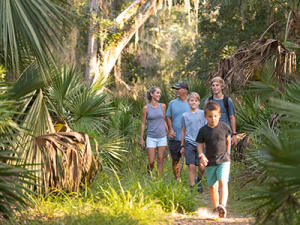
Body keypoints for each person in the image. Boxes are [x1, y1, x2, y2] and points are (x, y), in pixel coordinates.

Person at [196, 101, 231, 218]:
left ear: (219, 115)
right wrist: (202, 156)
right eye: (210, 116)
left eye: (215, 116)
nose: (213, 119)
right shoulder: (203, 130)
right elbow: (200, 145)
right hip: (210, 162)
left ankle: (222, 205)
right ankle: (217, 208)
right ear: (205, 117)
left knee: (222, 181)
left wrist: (228, 152)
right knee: (212, 186)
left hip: (224, 160)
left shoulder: (224, 127)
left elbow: (228, 139)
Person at [181, 92, 207, 192]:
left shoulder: (202, 113)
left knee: (202, 166)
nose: (193, 102)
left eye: (196, 100)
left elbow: (206, 128)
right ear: (188, 102)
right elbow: (183, 130)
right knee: (191, 165)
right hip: (189, 143)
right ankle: (192, 186)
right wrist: (182, 145)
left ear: (199, 102)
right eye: (191, 100)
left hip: (201, 143)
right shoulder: (185, 115)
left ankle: (198, 181)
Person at [139, 86, 168, 175]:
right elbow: (143, 123)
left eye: (160, 93)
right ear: (152, 94)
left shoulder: (163, 106)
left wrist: (169, 131)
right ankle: (149, 174)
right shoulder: (146, 108)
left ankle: (159, 180)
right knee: (151, 161)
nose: (159, 95)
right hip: (151, 137)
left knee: (160, 159)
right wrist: (141, 138)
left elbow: (163, 120)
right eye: (157, 93)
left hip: (162, 136)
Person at [166, 81, 190, 182]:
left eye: (178, 88)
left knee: (191, 161)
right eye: (175, 88)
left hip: (189, 137)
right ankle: (178, 180)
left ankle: (192, 181)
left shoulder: (192, 102)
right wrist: (170, 129)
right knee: (176, 159)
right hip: (175, 136)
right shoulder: (172, 103)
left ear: (185, 90)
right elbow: (168, 117)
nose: (176, 90)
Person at [206, 76, 237, 146]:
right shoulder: (208, 101)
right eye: (213, 85)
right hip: (212, 134)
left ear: (222, 87)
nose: (215, 87)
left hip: (225, 133)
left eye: (217, 85)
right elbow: (205, 118)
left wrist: (234, 134)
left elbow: (232, 117)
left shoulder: (228, 101)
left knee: (225, 156)